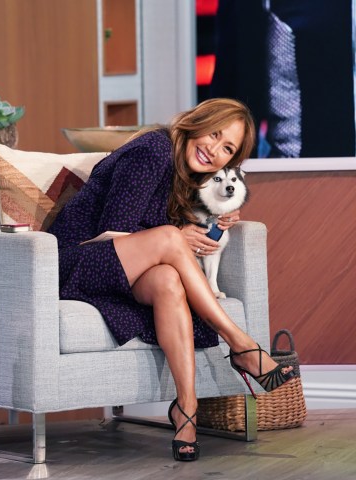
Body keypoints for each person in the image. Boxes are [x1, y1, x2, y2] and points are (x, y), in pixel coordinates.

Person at [48, 98, 294, 462]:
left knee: (167, 279)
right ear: (196, 123)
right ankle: (241, 345)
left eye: (227, 149)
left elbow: (179, 229)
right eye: (214, 135)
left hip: (125, 269)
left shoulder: (189, 174)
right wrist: (175, 233)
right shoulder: (155, 149)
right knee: (168, 239)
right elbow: (114, 228)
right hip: (76, 260)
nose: (214, 149)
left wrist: (222, 212)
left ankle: (186, 411)